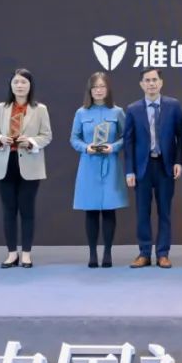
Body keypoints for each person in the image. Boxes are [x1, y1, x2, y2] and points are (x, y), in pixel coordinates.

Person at [0, 68, 53, 268]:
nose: (19, 85)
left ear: (30, 86)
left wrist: (31, 142)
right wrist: (1, 139)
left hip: (30, 164)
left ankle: (26, 254)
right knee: (8, 210)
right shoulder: (1, 108)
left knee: (27, 210)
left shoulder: (40, 109)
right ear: (11, 85)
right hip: (5, 163)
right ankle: (11, 254)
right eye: (16, 82)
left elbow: (47, 135)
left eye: (24, 82)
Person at [123, 67, 182, 269]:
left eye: (154, 80)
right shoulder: (133, 109)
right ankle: (144, 253)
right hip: (143, 167)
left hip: (165, 166)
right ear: (141, 84)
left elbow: (181, 136)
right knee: (143, 212)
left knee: (164, 211)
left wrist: (178, 161)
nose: (151, 83)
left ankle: (163, 253)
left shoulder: (173, 106)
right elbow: (128, 142)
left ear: (161, 83)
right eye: (147, 80)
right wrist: (129, 170)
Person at [70, 72, 128, 268]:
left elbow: (127, 137)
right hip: (89, 165)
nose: (99, 90)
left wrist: (114, 146)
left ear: (108, 89)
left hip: (110, 164)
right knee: (91, 210)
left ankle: (108, 252)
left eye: (102, 86)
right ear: (90, 90)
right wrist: (86, 147)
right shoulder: (81, 113)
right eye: (95, 87)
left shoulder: (117, 112)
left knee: (110, 209)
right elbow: (74, 138)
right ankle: (93, 253)